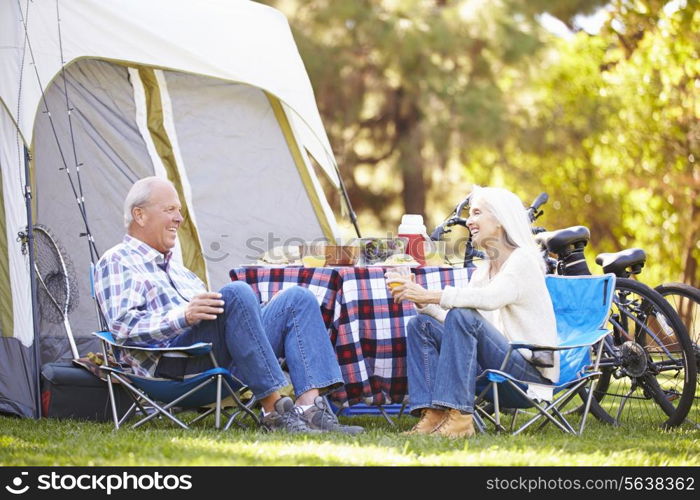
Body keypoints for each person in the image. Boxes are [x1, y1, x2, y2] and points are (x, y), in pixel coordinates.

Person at [94, 176, 362, 435]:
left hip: (217, 357)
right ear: (139, 215)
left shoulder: (181, 272)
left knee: (297, 299)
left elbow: (227, 321)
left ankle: (310, 410)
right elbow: (122, 327)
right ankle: (274, 412)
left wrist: (251, 313)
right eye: (169, 209)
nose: (179, 218)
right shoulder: (118, 260)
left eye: (179, 210)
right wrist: (183, 316)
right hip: (172, 367)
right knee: (236, 292)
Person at [386, 186, 557, 438]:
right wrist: (422, 302)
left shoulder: (523, 261)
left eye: (477, 213)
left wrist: (428, 294)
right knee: (420, 324)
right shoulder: (484, 270)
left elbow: (488, 300)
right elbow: (458, 324)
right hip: (496, 364)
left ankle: (460, 419)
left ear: (500, 219)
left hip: (526, 375)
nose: (469, 220)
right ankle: (434, 414)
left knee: (462, 313)